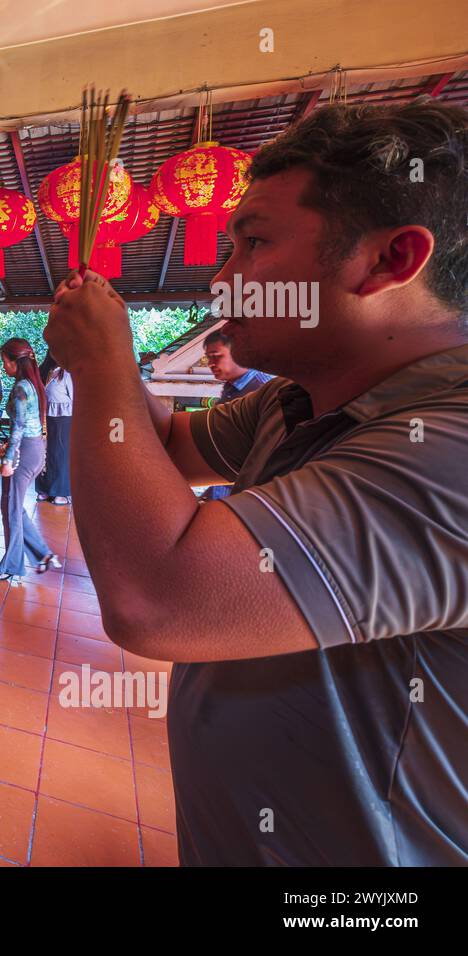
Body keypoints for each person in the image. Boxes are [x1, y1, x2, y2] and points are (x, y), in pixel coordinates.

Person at [42, 101, 468, 865]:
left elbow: (157, 600)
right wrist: (102, 348)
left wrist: (104, 363)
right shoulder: (297, 396)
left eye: (254, 242)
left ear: (389, 260)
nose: (222, 276)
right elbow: (166, 447)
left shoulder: (450, 448)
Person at [0, 338, 60, 580]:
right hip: (35, 449)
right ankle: (42, 554)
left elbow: (18, 426)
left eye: (4, 362)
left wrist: (9, 459)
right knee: (12, 507)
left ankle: (11, 568)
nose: (3, 366)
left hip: (24, 451)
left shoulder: (21, 387)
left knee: (10, 509)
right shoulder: (33, 384)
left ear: (14, 362)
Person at [198, 330, 274, 501]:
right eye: (208, 357)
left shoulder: (263, 390)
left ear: (239, 353)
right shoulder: (232, 387)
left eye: (216, 356)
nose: (210, 363)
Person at [34, 365, 73, 505]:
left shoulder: (68, 374)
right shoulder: (50, 371)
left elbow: (75, 399)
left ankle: (61, 492)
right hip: (47, 417)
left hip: (63, 418)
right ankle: (45, 490)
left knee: (60, 454)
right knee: (46, 452)